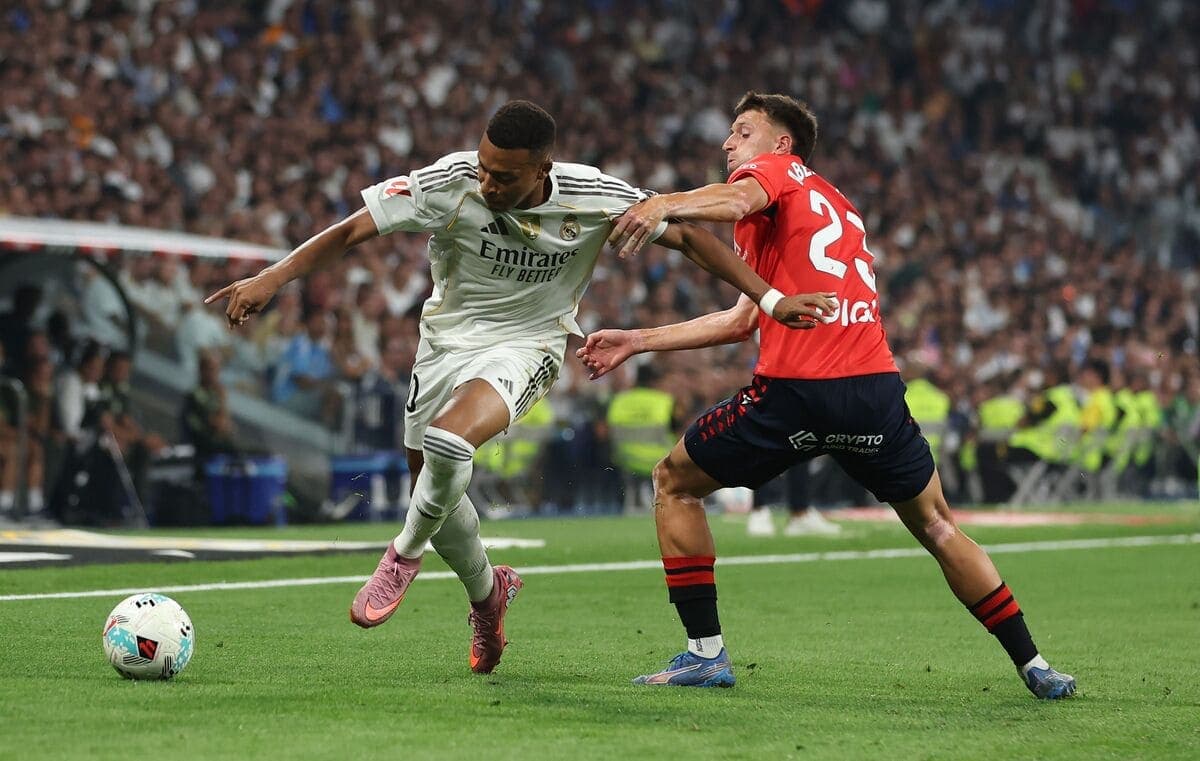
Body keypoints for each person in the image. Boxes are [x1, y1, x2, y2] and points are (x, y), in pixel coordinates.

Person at [206, 100, 834, 676]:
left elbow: (693, 239)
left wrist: (771, 299)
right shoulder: (449, 182)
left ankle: (401, 554)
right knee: (435, 479)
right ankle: (488, 595)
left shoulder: (592, 194)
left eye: (504, 177)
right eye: (484, 169)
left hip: (528, 343)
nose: (488, 184)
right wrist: (273, 277)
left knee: (452, 445)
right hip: (444, 343)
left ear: (543, 169)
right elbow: (351, 230)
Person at [583, 91, 1075, 699]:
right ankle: (1035, 665)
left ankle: (704, 653)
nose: (728, 144)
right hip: (874, 392)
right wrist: (639, 338)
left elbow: (737, 197)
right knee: (939, 526)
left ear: (781, 143)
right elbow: (745, 318)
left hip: (795, 392)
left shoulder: (775, 175)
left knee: (674, 483)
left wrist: (664, 202)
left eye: (741, 131)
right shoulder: (838, 207)